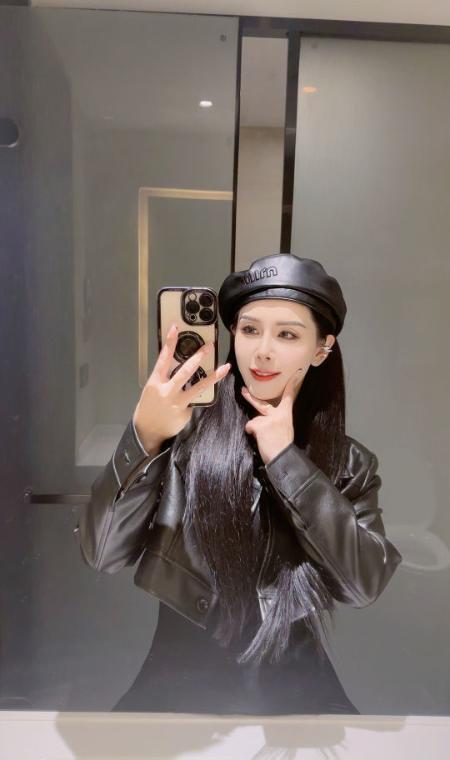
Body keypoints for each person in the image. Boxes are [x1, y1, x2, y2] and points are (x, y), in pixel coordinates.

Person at [78, 253, 402, 715]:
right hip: (178, 685)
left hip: (296, 691)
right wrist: (145, 436)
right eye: (249, 330)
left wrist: (286, 461)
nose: (263, 351)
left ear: (321, 348)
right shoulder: (183, 438)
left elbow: (364, 584)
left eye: (287, 334)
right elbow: (102, 553)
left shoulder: (350, 464)